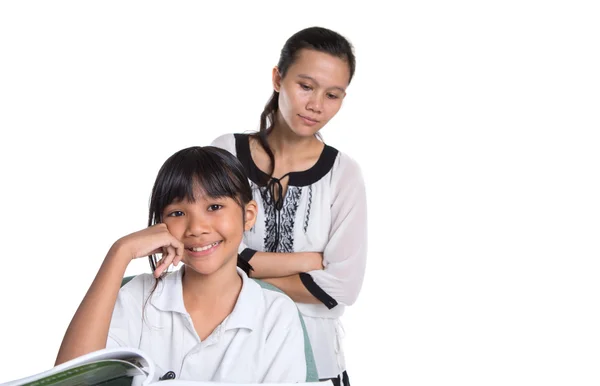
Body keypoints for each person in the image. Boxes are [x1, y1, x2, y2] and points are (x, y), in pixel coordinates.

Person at [55, 146, 307, 383]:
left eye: (215, 206)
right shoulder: (138, 297)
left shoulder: (276, 313)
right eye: (177, 213)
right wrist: (119, 253)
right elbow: (69, 381)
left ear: (248, 216)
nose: (196, 228)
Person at [211, 26, 367, 386]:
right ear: (278, 78)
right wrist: (309, 261)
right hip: (228, 356)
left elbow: (343, 287)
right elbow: (205, 252)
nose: (316, 105)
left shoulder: (344, 174)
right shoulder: (225, 153)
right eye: (306, 86)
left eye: (333, 95)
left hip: (315, 361)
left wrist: (242, 266)